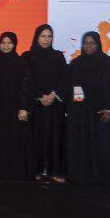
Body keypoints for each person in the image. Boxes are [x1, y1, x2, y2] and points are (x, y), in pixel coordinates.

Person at [64, 31, 110, 185]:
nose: (88, 46)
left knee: (103, 147)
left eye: (92, 43)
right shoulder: (76, 64)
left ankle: (105, 178)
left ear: (98, 44)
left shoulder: (109, 64)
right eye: (86, 43)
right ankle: (81, 176)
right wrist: (77, 107)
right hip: (82, 114)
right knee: (82, 147)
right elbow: (73, 88)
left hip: (103, 115)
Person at [23, 23, 67, 182]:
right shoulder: (28, 56)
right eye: (43, 36)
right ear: (37, 37)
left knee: (55, 137)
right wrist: (39, 96)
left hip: (54, 105)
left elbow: (64, 78)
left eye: (49, 36)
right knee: (36, 137)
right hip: (35, 105)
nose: (46, 39)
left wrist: (53, 95)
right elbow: (27, 81)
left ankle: (55, 171)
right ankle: (37, 169)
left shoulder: (58, 56)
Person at [0, 32, 34, 181]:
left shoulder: (21, 62)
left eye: (9, 42)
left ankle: (14, 172)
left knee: (15, 140)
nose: (6, 45)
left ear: (14, 44)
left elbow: (26, 86)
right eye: (3, 42)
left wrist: (24, 107)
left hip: (16, 109)